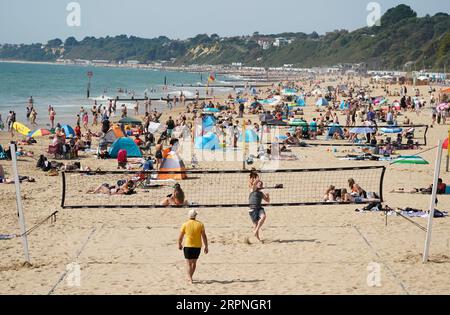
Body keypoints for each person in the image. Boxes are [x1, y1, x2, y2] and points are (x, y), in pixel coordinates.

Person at [178, 209, 208, 284]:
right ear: (195, 216)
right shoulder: (200, 224)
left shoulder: (185, 224)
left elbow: (180, 236)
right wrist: (206, 246)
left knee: (188, 263)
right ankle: (190, 277)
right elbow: (204, 236)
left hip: (188, 245)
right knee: (194, 263)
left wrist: (179, 243)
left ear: (188, 216)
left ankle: (190, 279)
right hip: (197, 246)